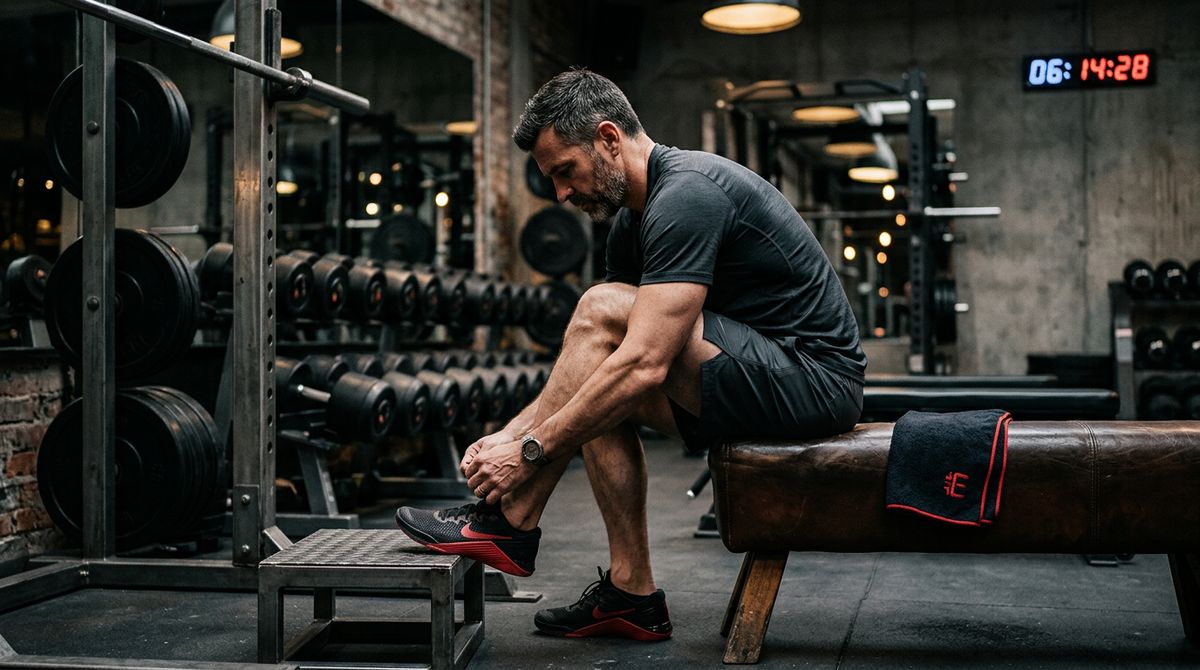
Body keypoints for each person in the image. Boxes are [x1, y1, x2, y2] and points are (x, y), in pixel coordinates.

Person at [395, 68, 865, 641]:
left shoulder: (688, 192)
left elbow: (644, 360)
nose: (562, 196)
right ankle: (631, 593)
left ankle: (511, 520)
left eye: (565, 172)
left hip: (813, 382)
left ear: (609, 138)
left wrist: (529, 450)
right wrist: (508, 434)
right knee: (599, 383)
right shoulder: (631, 225)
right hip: (752, 375)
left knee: (602, 312)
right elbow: (599, 359)